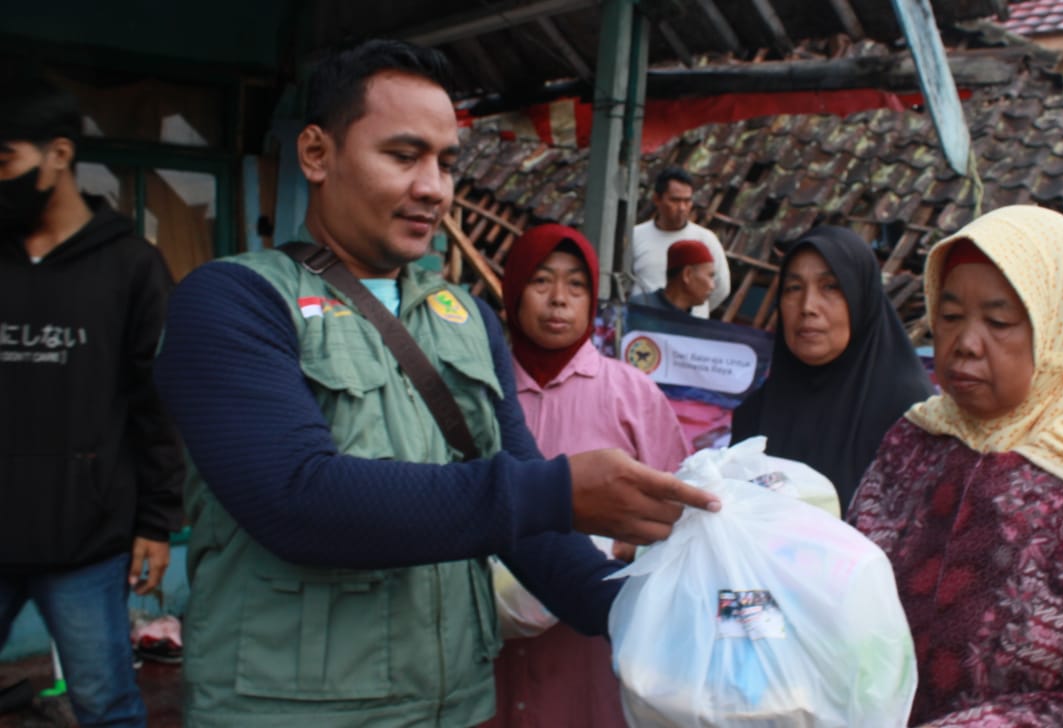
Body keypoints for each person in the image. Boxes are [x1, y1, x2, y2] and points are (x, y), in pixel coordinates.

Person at [152, 40, 718, 727]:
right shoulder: (233, 303)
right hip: (290, 711)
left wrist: (663, 615)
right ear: (316, 154)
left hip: (454, 707)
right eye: (403, 155)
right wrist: (556, 491)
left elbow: (528, 524)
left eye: (447, 163)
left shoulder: (464, 318)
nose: (434, 188)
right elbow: (297, 500)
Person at [848, 205, 1063, 726]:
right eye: (949, 316)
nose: (965, 343)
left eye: (999, 320)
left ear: (1061, 328)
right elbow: (845, 588)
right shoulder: (916, 441)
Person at [0, 78, 183, 727]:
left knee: (105, 705)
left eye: (4, 161)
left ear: (57, 155)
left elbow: (157, 403)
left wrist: (158, 523)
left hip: (87, 540)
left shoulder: (131, 266)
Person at [484, 223, 690, 728]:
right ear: (512, 291)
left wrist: (634, 547)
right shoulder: (481, 393)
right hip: (489, 646)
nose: (559, 300)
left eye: (576, 285)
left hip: (595, 643)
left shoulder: (631, 394)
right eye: (541, 281)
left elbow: (681, 514)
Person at [731, 226, 931, 514]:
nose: (808, 306)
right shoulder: (756, 415)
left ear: (861, 298)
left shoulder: (908, 414)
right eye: (794, 288)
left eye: (830, 287)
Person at [631, 167, 730, 317]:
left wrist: (696, 310)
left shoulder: (706, 239)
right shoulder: (635, 236)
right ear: (657, 199)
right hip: (646, 327)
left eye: (687, 200)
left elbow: (721, 288)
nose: (682, 208)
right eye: (675, 200)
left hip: (689, 329)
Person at [627, 239, 716, 316]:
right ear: (687, 274)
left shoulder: (690, 324)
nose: (712, 286)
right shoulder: (636, 310)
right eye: (710, 276)